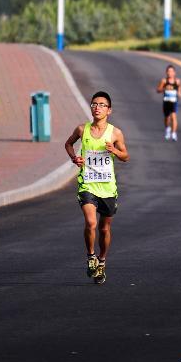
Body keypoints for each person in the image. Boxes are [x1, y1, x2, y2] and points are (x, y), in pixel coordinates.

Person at [64, 91, 129, 285]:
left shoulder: (115, 133)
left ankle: (102, 261)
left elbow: (126, 156)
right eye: (94, 104)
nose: (97, 107)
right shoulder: (81, 129)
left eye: (101, 104)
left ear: (109, 110)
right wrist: (74, 158)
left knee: (104, 228)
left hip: (108, 186)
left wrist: (115, 150)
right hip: (87, 183)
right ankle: (91, 256)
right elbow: (68, 144)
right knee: (91, 222)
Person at [156, 64, 181, 141]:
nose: (169, 73)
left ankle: (174, 133)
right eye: (168, 71)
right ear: (166, 72)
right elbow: (158, 90)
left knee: (174, 117)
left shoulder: (177, 81)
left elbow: (180, 91)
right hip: (166, 101)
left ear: (174, 73)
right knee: (167, 117)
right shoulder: (164, 81)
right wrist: (164, 88)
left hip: (174, 101)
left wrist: (179, 94)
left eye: (171, 71)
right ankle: (168, 129)